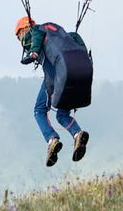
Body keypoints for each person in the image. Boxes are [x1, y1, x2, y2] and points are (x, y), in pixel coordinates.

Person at [17, 15, 91, 166]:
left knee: (39, 111)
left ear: (24, 30)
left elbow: (35, 35)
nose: (20, 40)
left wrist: (33, 53)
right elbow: (76, 37)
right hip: (71, 76)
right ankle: (77, 134)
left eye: (19, 36)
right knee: (62, 114)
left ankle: (52, 139)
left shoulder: (36, 31)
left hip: (54, 80)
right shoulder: (62, 37)